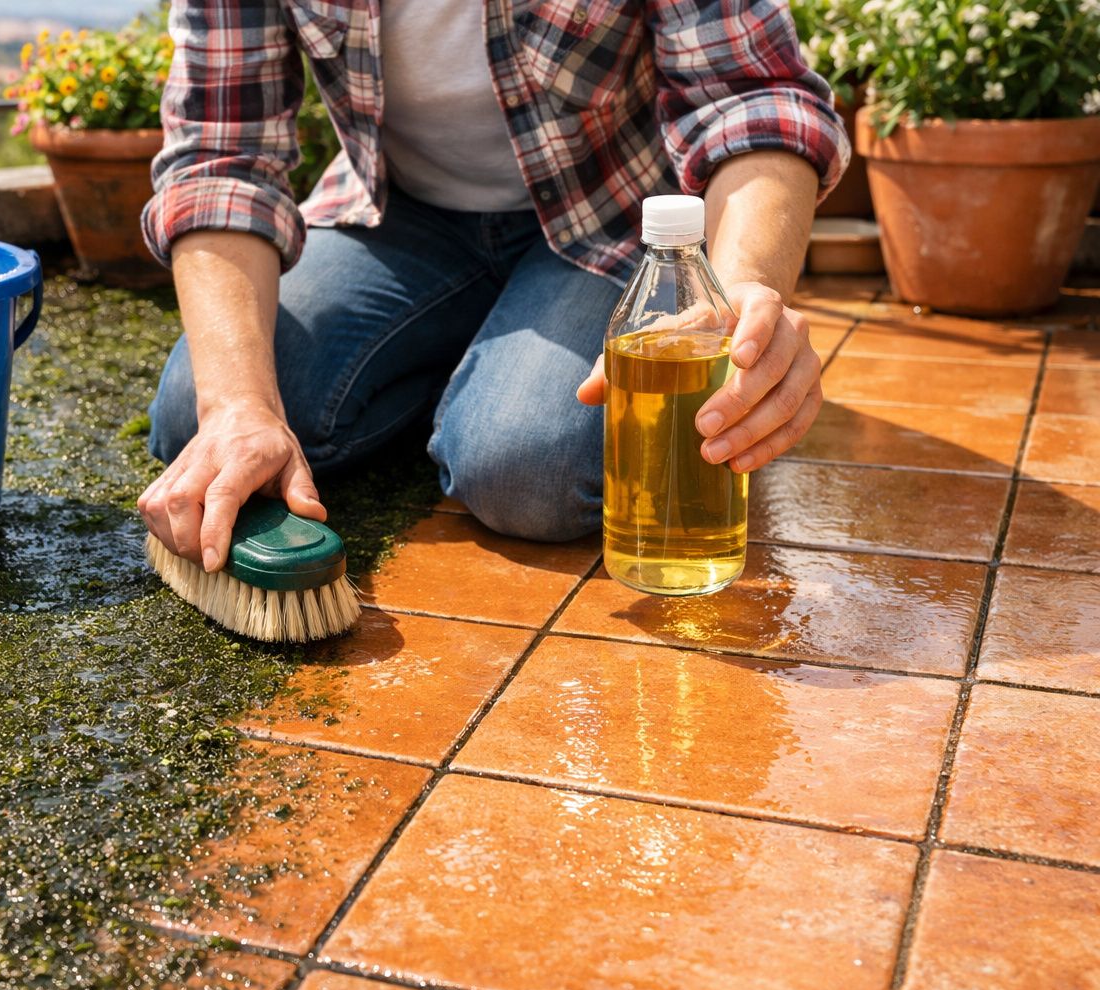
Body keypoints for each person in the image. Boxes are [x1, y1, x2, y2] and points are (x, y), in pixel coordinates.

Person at [138, 0, 847, 573]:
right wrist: (240, 404)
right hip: (398, 213)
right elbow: (220, 153)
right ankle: (478, 362)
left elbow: (754, 97)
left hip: (613, 218)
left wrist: (742, 295)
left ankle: (480, 381)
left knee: (523, 471)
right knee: (193, 415)